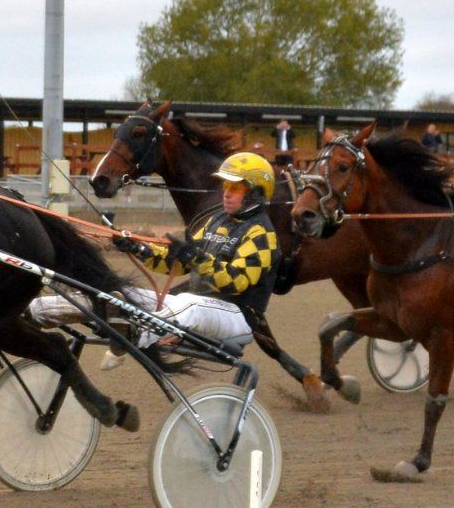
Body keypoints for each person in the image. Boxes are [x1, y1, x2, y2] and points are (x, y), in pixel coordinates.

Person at [28, 153, 281, 362]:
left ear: (256, 193)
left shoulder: (262, 234)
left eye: (235, 187)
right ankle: (37, 312)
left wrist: (195, 256)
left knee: (188, 303)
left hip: (235, 318)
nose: (226, 193)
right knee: (122, 293)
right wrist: (138, 248)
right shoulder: (217, 222)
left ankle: (132, 334)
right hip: (193, 307)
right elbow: (175, 263)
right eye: (225, 186)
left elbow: (236, 281)